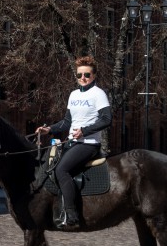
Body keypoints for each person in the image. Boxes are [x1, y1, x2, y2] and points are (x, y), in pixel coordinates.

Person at [35, 56, 111, 229]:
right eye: (79, 75)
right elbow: (67, 122)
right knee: (49, 165)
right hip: (71, 142)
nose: (83, 78)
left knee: (62, 169)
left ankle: (72, 215)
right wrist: (50, 129)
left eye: (87, 74)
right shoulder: (73, 94)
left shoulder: (98, 94)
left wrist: (84, 131)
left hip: (88, 143)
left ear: (94, 75)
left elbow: (107, 119)